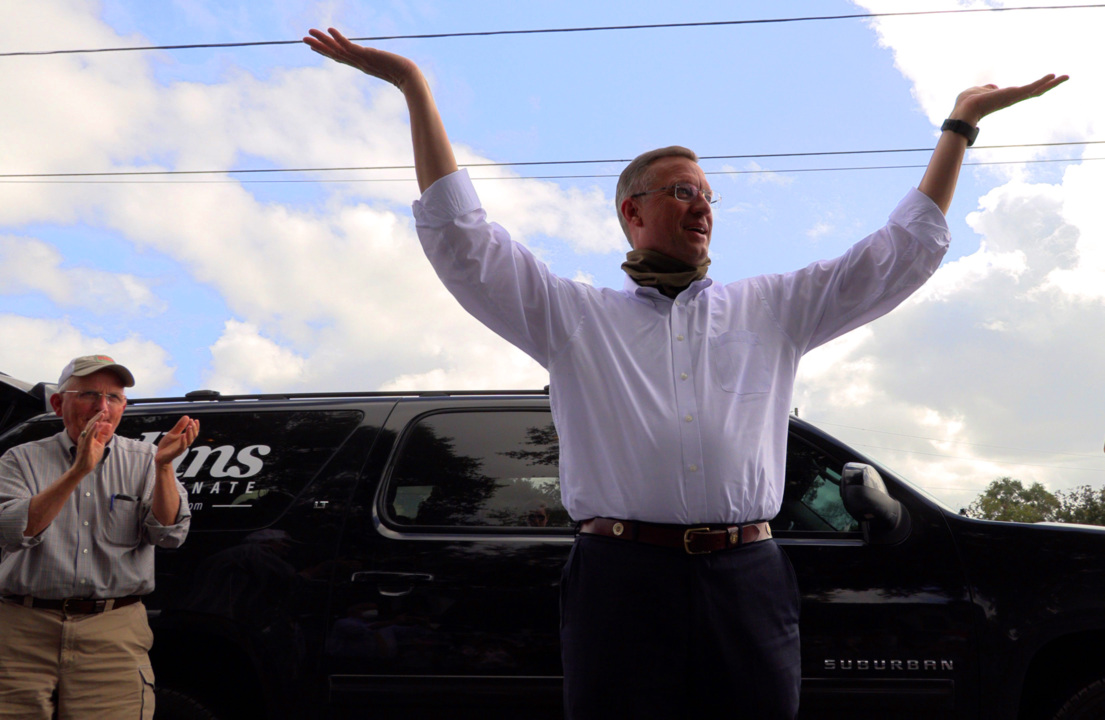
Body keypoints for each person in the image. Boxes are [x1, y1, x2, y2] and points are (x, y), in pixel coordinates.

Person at [304, 26, 1066, 719]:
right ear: (631, 214)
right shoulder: (573, 318)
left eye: (707, 195)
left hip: (748, 577)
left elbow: (896, 254)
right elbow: (464, 242)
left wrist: (960, 126)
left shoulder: (772, 309)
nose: (701, 206)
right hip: (618, 579)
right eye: (680, 191)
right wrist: (412, 84)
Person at [0, 355, 199, 719]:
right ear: (59, 404)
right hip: (19, 630)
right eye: (89, 394)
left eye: (114, 398)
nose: (102, 407)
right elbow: (14, 530)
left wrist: (165, 466)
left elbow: (170, 534)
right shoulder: (19, 459)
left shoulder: (147, 459)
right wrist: (78, 472)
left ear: (124, 406)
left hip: (112, 632)